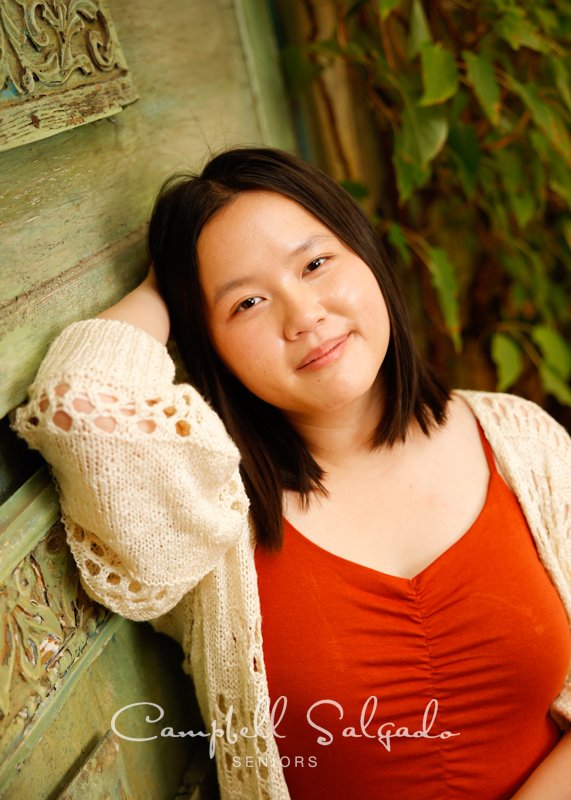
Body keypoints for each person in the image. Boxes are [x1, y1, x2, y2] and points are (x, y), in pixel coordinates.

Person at [12, 147, 571, 800]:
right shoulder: (210, 506)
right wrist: (162, 288)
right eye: (246, 303)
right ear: (207, 343)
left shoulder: (519, 440)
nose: (303, 316)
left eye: (314, 263)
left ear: (364, 252)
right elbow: (80, 405)